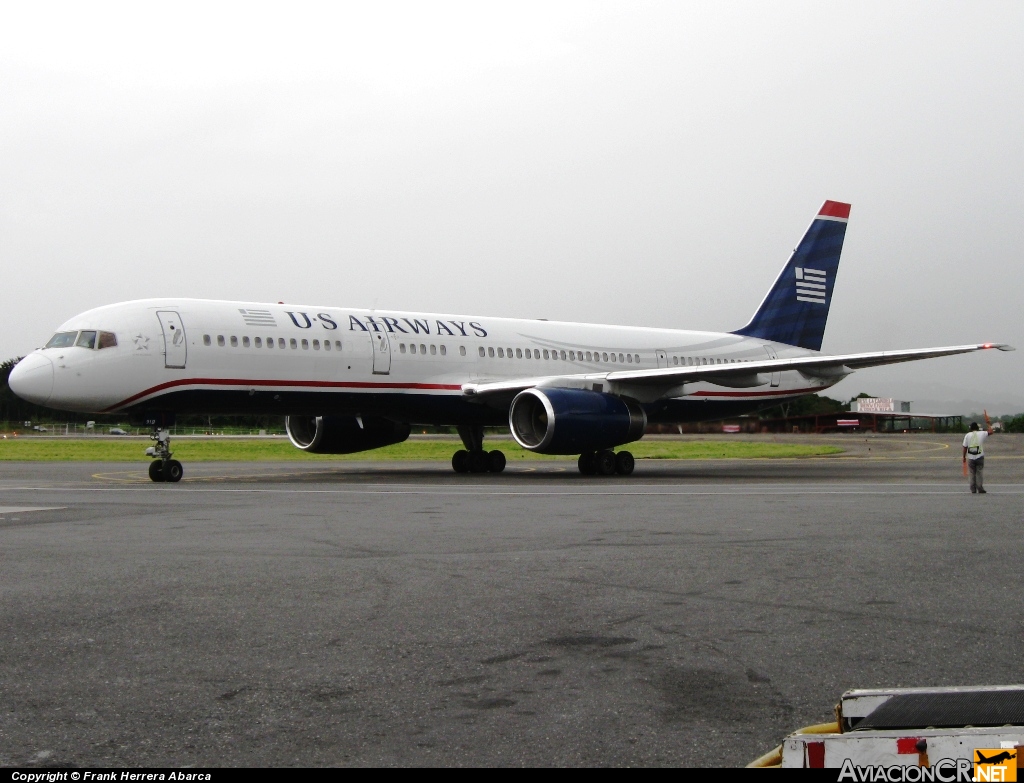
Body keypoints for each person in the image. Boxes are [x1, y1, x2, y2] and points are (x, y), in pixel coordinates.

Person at [962, 421, 992, 494]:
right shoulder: (982, 433)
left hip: (971, 457)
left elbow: (964, 447)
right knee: (979, 473)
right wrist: (988, 423)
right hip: (979, 456)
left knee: (972, 473)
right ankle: (980, 487)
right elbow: (990, 431)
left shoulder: (967, 435)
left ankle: (973, 488)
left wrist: (964, 457)